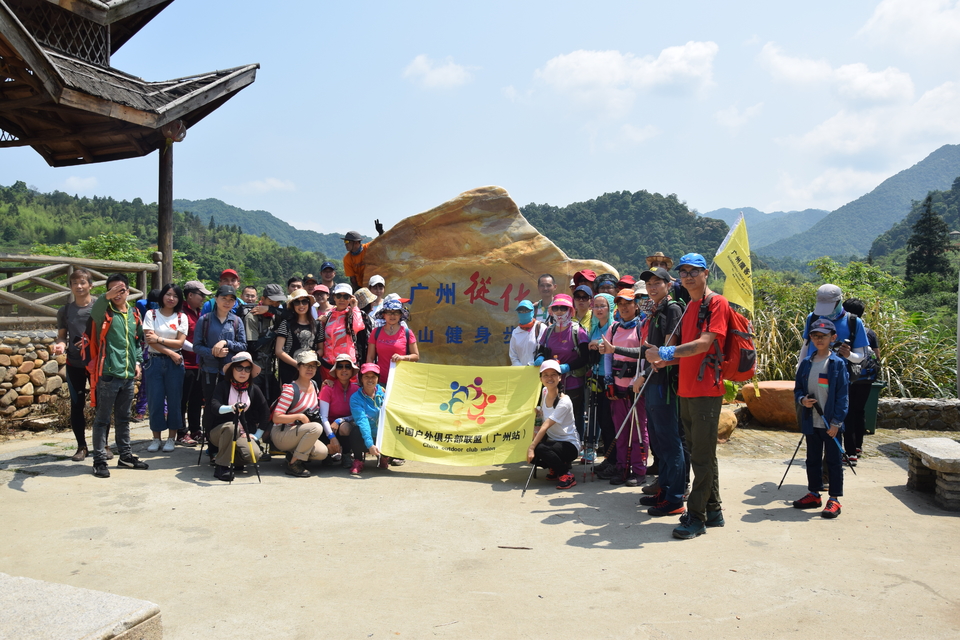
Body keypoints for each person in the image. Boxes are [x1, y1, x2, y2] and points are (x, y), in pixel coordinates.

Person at [644, 253, 729, 539]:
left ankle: (696, 516)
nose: (688, 276)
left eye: (694, 271)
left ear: (706, 273)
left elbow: (704, 344)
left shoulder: (716, 303)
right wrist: (665, 360)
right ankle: (713, 509)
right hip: (686, 389)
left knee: (702, 457)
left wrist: (666, 352)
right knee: (700, 452)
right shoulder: (691, 305)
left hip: (706, 390)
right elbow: (686, 353)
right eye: (684, 272)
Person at [609, 267, 686, 516]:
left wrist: (643, 372)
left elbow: (665, 351)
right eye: (649, 283)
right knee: (659, 443)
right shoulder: (654, 311)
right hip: (652, 382)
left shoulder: (672, 310)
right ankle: (664, 490)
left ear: (667, 284)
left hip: (664, 385)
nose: (652, 287)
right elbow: (647, 351)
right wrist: (616, 350)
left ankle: (675, 498)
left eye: (657, 282)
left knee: (670, 442)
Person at [86, 274, 148, 478]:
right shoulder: (104, 312)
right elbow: (94, 310)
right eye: (112, 290)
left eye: (120, 290)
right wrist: (105, 297)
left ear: (128, 292)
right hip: (108, 375)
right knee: (102, 419)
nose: (116, 294)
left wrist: (138, 362)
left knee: (123, 418)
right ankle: (99, 460)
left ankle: (125, 455)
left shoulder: (134, 313)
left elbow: (138, 340)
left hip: (128, 375)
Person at [793, 318, 849, 519]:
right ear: (811, 338)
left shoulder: (837, 364)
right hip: (812, 421)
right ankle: (814, 493)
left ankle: (834, 499)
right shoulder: (806, 363)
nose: (819, 339)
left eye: (823, 336)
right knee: (813, 459)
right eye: (815, 336)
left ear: (833, 338)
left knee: (834, 461)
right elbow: (798, 389)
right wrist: (802, 400)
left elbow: (843, 396)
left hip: (831, 424)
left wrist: (836, 422)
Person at [598, 289, 648, 487]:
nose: (624, 307)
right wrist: (608, 381)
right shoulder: (615, 327)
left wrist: (637, 380)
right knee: (621, 430)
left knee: (638, 430)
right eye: (620, 303)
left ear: (636, 305)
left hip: (636, 389)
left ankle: (639, 470)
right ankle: (621, 468)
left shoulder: (642, 327)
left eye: (628, 303)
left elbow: (644, 356)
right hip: (617, 389)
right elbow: (608, 355)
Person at [53, 269, 98, 462]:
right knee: (76, 404)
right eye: (74, 283)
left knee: (101, 405)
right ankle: (81, 446)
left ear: (90, 285)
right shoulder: (65, 310)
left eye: (82, 283)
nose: (79, 287)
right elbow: (63, 335)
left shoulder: (100, 307)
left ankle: (102, 445)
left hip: (97, 364)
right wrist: (61, 344)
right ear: (70, 286)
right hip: (74, 362)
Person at [204, 352, 269, 482]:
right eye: (239, 367)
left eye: (247, 368)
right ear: (232, 370)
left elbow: (265, 412)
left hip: (243, 433)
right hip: (220, 432)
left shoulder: (254, 389)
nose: (243, 372)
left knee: (254, 455)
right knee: (231, 427)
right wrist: (232, 407)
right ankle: (222, 467)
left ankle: (231, 459)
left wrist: (257, 435)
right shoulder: (222, 386)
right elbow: (215, 407)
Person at [534, 293, 589, 440]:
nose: (559, 311)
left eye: (563, 308)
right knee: (551, 415)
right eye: (556, 308)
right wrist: (539, 357)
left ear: (570, 310)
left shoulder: (578, 331)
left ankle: (574, 446)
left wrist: (567, 367)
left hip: (572, 382)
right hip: (551, 384)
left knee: (573, 416)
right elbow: (542, 349)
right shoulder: (548, 330)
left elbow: (585, 358)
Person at [142, 284, 188, 453]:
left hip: (174, 365)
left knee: (175, 401)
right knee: (155, 401)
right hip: (155, 361)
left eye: (175, 296)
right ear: (162, 296)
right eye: (168, 294)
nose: (171, 298)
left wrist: (159, 339)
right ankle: (156, 438)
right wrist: (171, 352)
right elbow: (149, 340)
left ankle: (171, 438)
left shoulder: (181, 317)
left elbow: (180, 343)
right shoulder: (151, 314)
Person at [270, 351, 331, 477]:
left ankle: (293, 454)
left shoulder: (314, 385)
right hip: (282, 433)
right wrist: (299, 416)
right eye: (306, 365)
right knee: (316, 427)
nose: (310, 369)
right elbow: (277, 417)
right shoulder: (290, 389)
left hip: (299, 432)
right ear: (298, 366)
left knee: (322, 452)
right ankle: (294, 464)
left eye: (313, 366)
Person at [527, 360, 581, 490]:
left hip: (569, 445)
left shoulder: (564, 401)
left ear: (559, 377)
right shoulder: (545, 392)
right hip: (553, 441)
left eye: (553, 374)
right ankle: (555, 466)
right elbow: (542, 416)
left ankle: (566, 474)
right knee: (533, 452)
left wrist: (531, 447)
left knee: (538, 449)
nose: (549, 378)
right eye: (545, 375)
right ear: (540, 378)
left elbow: (546, 425)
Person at [193, 284, 247, 409]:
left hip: (229, 372)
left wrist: (226, 342)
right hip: (208, 371)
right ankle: (209, 429)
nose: (227, 302)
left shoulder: (237, 321)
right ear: (216, 299)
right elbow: (196, 346)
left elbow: (243, 345)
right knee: (210, 404)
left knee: (229, 404)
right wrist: (213, 352)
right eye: (224, 298)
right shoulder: (204, 320)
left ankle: (227, 428)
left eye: (231, 300)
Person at [840, 298, 880, 464]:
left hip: (848, 377)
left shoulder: (845, 329)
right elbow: (877, 357)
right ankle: (858, 446)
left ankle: (850, 452)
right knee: (859, 411)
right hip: (866, 379)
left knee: (847, 413)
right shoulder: (870, 332)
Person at [178, 280, 210, 446]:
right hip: (185, 363)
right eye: (201, 295)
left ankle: (195, 429)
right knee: (183, 399)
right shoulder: (181, 313)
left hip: (199, 364)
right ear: (190, 295)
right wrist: (200, 350)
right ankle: (181, 432)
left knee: (197, 399)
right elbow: (180, 340)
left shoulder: (199, 313)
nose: (203, 298)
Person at [585, 293, 615, 466]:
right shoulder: (595, 327)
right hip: (597, 376)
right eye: (596, 306)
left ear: (610, 307)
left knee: (610, 420)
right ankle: (610, 459)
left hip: (610, 378)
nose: (598, 309)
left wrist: (597, 343)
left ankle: (614, 459)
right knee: (602, 420)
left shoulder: (613, 326)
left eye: (602, 306)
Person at [245, 283, 286, 405]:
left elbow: (290, 315)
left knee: (271, 401)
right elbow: (252, 346)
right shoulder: (252, 317)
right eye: (271, 301)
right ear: (262, 299)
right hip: (256, 367)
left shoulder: (275, 315)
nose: (275, 304)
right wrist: (274, 333)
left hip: (270, 367)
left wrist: (270, 309)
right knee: (255, 401)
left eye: (278, 302)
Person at [319, 353, 360, 468]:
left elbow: (357, 414)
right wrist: (332, 437)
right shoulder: (328, 388)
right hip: (327, 427)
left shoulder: (357, 389)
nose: (344, 369)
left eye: (347, 366)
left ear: (352, 370)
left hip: (345, 425)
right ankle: (327, 454)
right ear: (335, 370)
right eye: (340, 366)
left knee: (345, 427)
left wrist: (340, 420)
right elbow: (323, 417)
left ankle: (346, 454)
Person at [317, 283, 365, 379]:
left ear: (350, 298)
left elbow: (358, 327)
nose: (342, 299)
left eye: (346, 296)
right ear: (334, 297)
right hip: (327, 366)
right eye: (339, 296)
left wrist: (355, 306)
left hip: (346, 366)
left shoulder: (353, 314)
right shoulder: (328, 315)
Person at [346, 362, 387, 474]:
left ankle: (384, 457)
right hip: (366, 436)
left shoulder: (385, 394)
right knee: (355, 431)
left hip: (382, 434)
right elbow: (362, 421)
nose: (370, 380)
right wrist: (370, 444)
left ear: (378, 379)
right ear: (361, 379)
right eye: (366, 377)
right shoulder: (355, 398)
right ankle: (358, 460)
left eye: (373, 376)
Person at [367, 299, 419, 386]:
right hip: (380, 379)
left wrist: (402, 358)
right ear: (384, 314)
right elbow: (370, 357)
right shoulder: (376, 332)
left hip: (402, 380)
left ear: (400, 315)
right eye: (389, 312)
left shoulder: (407, 332)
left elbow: (416, 356)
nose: (392, 315)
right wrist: (370, 375)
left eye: (396, 312)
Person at [274, 288, 318, 385]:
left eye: (304, 301)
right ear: (292, 305)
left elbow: (321, 349)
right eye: (297, 302)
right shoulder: (285, 324)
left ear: (309, 304)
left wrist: (309, 363)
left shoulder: (317, 325)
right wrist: (298, 364)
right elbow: (278, 351)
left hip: (311, 370)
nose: (301, 305)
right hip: (289, 370)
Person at [509, 300, 545, 367]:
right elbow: (513, 356)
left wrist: (539, 359)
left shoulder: (540, 327)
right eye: (521, 311)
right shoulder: (515, 332)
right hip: (520, 372)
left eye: (526, 310)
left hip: (538, 370)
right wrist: (520, 368)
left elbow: (545, 349)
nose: (523, 313)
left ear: (533, 312)